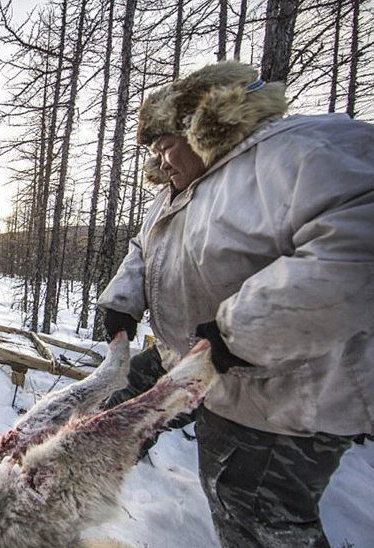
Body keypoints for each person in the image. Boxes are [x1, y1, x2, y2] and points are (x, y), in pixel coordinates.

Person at [96, 60, 374, 547]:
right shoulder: (176, 193)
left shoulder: (300, 150)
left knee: (250, 505)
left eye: (166, 146)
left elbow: (356, 248)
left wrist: (239, 332)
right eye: (154, 151)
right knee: (118, 408)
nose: (161, 162)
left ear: (204, 126)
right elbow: (145, 249)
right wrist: (123, 299)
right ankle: (77, 477)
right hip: (189, 360)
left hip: (280, 392)